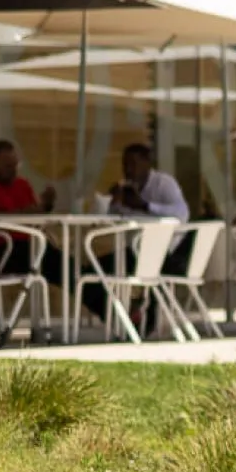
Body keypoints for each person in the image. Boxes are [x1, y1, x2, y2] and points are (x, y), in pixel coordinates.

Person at [80, 143, 192, 337]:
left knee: (97, 272)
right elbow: (108, 220)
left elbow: (182, 214)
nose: (128, 169)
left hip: (166, 253)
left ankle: (139, 322)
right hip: (135, 249)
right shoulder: (126, 189)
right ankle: (124, 317)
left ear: (147, 163)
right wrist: (113, 203)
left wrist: (146, 205)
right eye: (125, 164)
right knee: (88, 274)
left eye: (133, 164)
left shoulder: (163, 184)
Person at [0, 140, 60, 280]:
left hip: (28, 246)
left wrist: (46, 206)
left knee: (61, 262)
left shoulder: (22, 184)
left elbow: (33, 215)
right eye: (7, 166)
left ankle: (92, 279)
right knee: (58, 263)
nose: (13, 170)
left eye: (15, 165)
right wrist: (22, 213)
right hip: (0, 250)